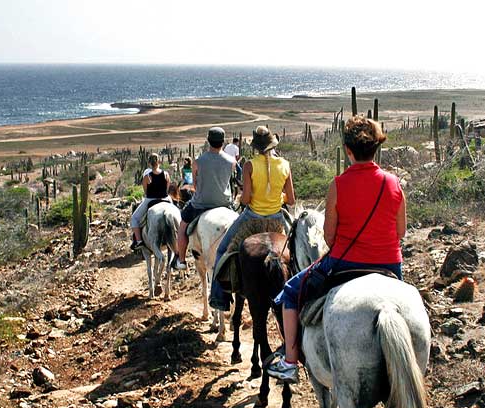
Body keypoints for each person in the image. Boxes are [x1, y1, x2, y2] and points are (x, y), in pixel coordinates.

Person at [267, 116, 406, 384]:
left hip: (345, 262)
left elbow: (329, 237)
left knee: (290, 292)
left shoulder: (339, 185)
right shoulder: (395, 184)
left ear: (348, 150)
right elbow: (400, 232)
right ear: (376, 147)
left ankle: (290, 361)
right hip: (390, 265)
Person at [209, 126, 295, 311]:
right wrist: (278, 198)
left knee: (222, 250)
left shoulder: (249, 165)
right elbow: (292, 199)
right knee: (296, 252)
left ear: (255, 146)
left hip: (252, 218)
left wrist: (244, 196)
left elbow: (246, 199)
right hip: (277, 220)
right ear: (272, 144)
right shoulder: (285, 165)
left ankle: (219, 298)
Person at [172, 127, 236, 270]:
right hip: (224, 203)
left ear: (208, 141)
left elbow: (195, 184)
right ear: (223, 142)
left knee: (182, 227)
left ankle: (181, 260)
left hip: (201, 204)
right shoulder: (231, 161)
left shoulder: (198, 162)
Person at [130, 153, 172, 250]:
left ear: (149, 163)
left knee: (134, 219)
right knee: (178, 214)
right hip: (165, 199)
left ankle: (139, 241)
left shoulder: (147, 177)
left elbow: (146, 191)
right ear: (159, 162)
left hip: (151, 199)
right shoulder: (166, 174)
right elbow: (167, 188)